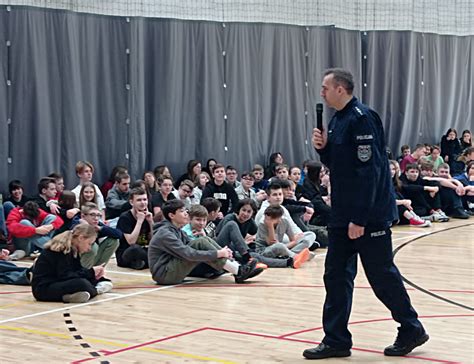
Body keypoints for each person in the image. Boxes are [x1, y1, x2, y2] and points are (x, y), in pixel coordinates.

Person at [303, 68, 428, 360]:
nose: (321, 92)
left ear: (341, 89)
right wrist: (323, 150)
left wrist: (359, 219)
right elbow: (340, 165)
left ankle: (411, 328)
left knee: (381, 276)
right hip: (343, 213)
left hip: (367, 215)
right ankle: (336, 340)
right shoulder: (337, 120)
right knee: (335, 276)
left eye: (325, 87)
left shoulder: (363, 118)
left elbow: (369, 173)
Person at [148, 199, 263, 285]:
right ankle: (238, 270)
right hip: (165, 274)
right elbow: (189, 254)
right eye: (182, 211)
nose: (186, 213)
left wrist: (222, 251)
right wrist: (218, 253)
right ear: (172, 215)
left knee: (203, 239)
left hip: (171, 269)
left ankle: (238, 268)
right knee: (201, 242)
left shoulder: (176, 230)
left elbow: (196, 244)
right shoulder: (165, 233)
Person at [31, 224, 113, 303]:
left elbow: (77, 270)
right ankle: (96, 290)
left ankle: (69, 297)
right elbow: (65, 275)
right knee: (81, 283)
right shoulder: (61, 250)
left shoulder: (73, 249)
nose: (89, 248)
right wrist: (91, 272)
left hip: (56, 283)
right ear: (81, 238)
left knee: (90, 281)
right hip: (43, 289)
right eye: (89, 244)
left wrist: (95, 276)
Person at [116, 188, 153, 270]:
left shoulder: (147, 215)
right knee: (135, 249)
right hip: (126, 253)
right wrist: (139, 221)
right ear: (131, 202)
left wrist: (150, 222)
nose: (143, 203)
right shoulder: (125, 217)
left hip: (143, 249)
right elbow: (131, 242)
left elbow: (154, 240)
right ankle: (150, 262)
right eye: (139, 200)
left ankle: (140, 263)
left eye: (145, 199)